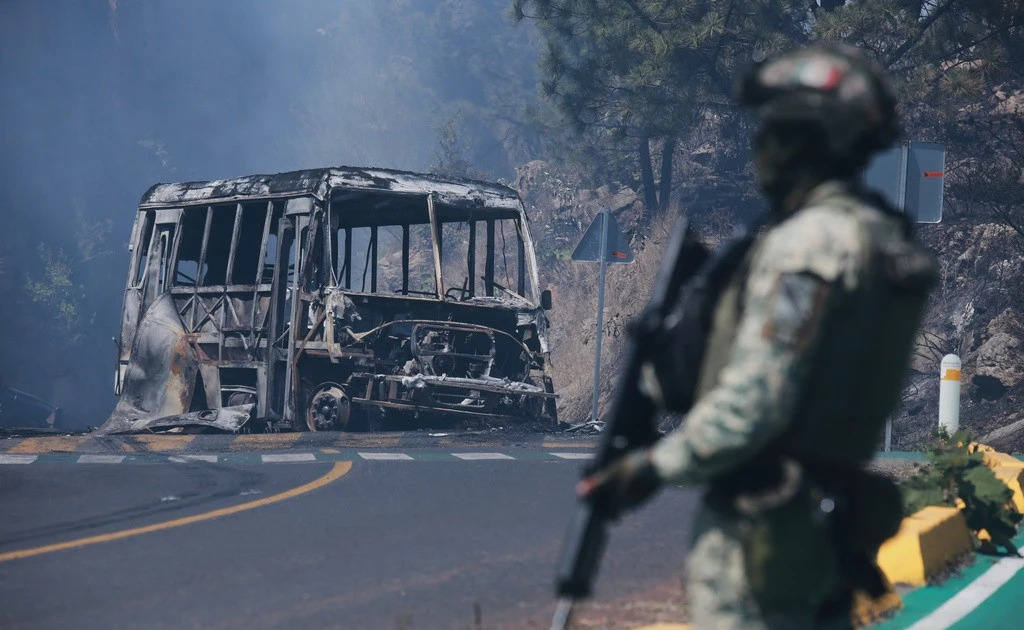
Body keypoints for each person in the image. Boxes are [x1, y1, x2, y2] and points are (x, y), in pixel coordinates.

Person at [578, 43, 938, 629]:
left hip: (764, 537)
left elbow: (758, 401)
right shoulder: (882, 238)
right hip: (827, 530)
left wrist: (649, 468)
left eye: (775, 131)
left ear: (808, 141)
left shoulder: (809, 247)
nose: (760, 147)